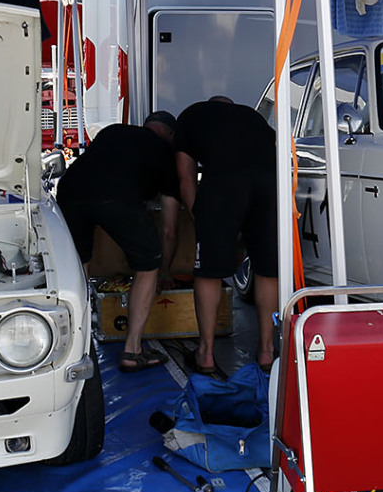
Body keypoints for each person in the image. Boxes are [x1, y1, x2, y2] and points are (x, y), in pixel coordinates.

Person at [55, 112, 181, 373]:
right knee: (147, 266)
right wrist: (165, 270)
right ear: (170, 135)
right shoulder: (165, 153)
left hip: (70, 192)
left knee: (79, 266)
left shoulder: (112, 131)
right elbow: (169, 228)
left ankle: (77, 348)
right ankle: (133, 351)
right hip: (117, 198)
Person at [172, 95, 278, 375]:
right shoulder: (253, 117)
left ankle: (206, 354)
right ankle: (267, 351)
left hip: (224, 183)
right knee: (267, 269)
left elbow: (186, 178)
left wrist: (200, 221)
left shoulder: (191, 115)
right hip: (270, 184)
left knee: (208, 272)